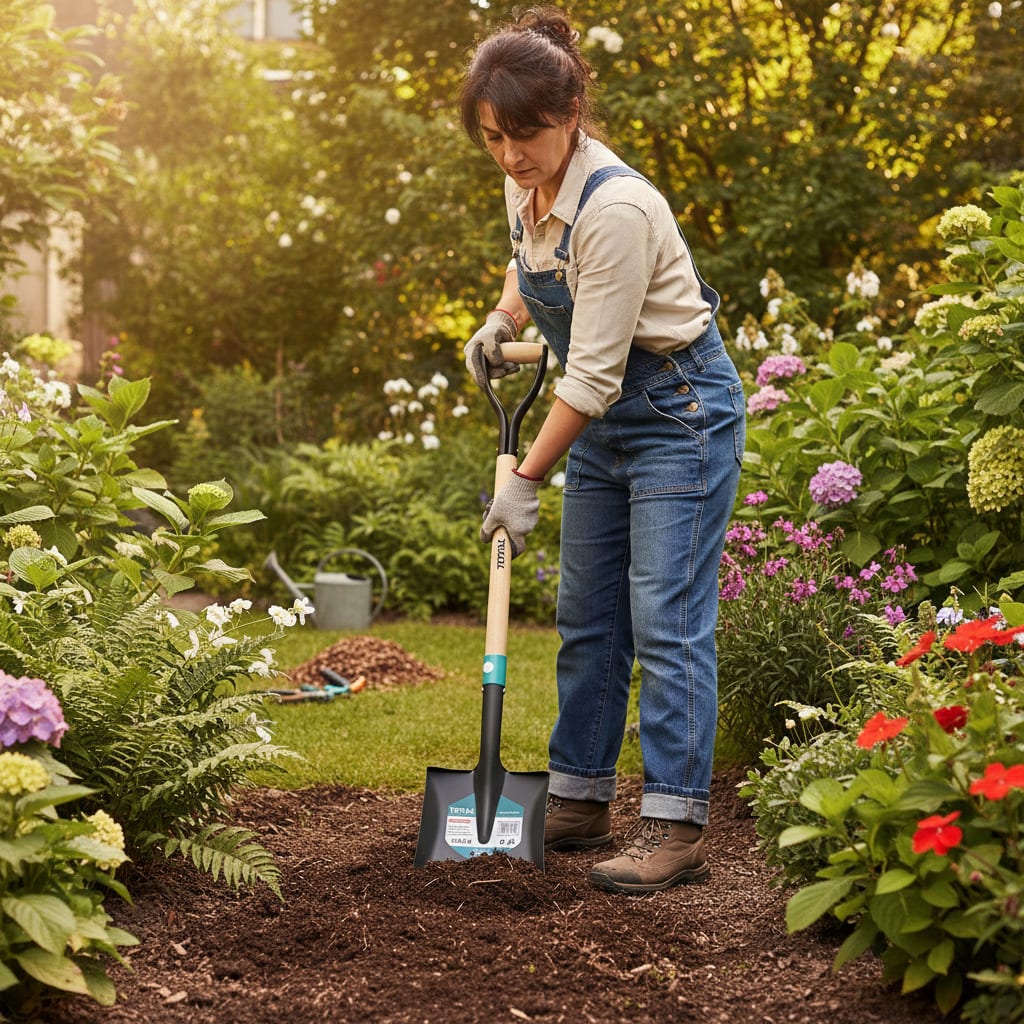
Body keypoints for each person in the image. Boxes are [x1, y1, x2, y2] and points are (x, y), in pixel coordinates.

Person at [460, 6, 745, 895]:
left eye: (529, 135)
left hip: (677, 413)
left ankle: (674, 821)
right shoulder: (527, 176)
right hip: (610, 418)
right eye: (494, 137)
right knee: (587, 617)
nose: (511, 156)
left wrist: (524, 479)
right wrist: (505, 315)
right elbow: (528, 252)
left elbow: (589, 378)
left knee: (664, 619)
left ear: (573, 110)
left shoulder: (618, 207)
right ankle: (580, 798)